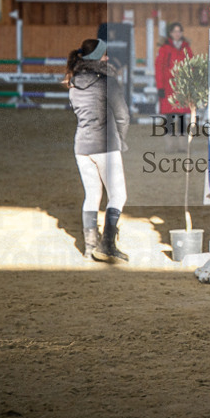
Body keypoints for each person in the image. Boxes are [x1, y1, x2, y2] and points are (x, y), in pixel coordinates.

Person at [66, 38, 130, 262]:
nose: (108, 58)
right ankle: (107, 245)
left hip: (82, 146)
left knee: (92, 195)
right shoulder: (107, 81)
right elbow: (122, 115)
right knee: (118, 195)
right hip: (105, 145)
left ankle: (89, 246)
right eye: (104, 55)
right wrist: (120, 139)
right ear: (98, 58)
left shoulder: (73, 82)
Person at [155, 22, 192, 116]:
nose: (177, 34)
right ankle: (170, 131)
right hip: (168, 86)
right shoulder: (164, 49)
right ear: (170, 33)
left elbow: (191, 65)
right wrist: (160, 87)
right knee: (169, 114)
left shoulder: (186, 48)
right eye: (175, 31)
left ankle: (182, 131)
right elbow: (159, 69)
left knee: (182, 114)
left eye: (179, 31)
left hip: (182, 86)